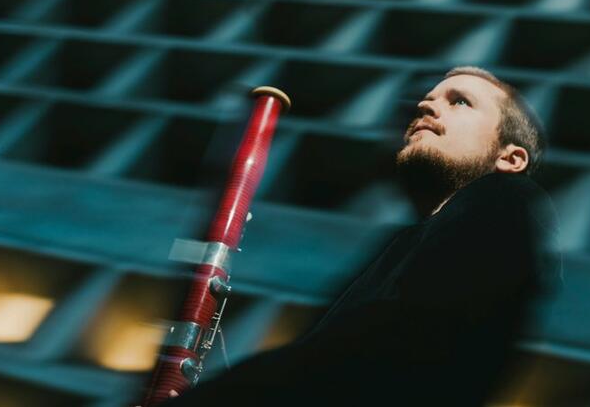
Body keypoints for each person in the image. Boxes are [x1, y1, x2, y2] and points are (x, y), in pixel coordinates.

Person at [163, 66, 560, 406]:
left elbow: (375, 353)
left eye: (459, 102)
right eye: (429, 98)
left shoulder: (502, 200)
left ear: (510, 158)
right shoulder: (405, 241)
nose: (425, 106)